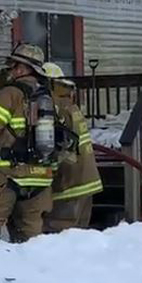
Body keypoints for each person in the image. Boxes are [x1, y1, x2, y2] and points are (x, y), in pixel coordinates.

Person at [0, 44, 56, 248]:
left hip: (8, 172)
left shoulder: (10, 93)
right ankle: (31, 265)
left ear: (22, 68)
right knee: (31, 234)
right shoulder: (46, 96)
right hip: (39, 176)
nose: (10, 69)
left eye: (13, 65)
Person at [42, 62, 103, 231]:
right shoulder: (69, 105)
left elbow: (59, 146)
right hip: (86, 180)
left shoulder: (54, 107)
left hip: (69, 185)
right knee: (78, 238)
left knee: (59, 234)